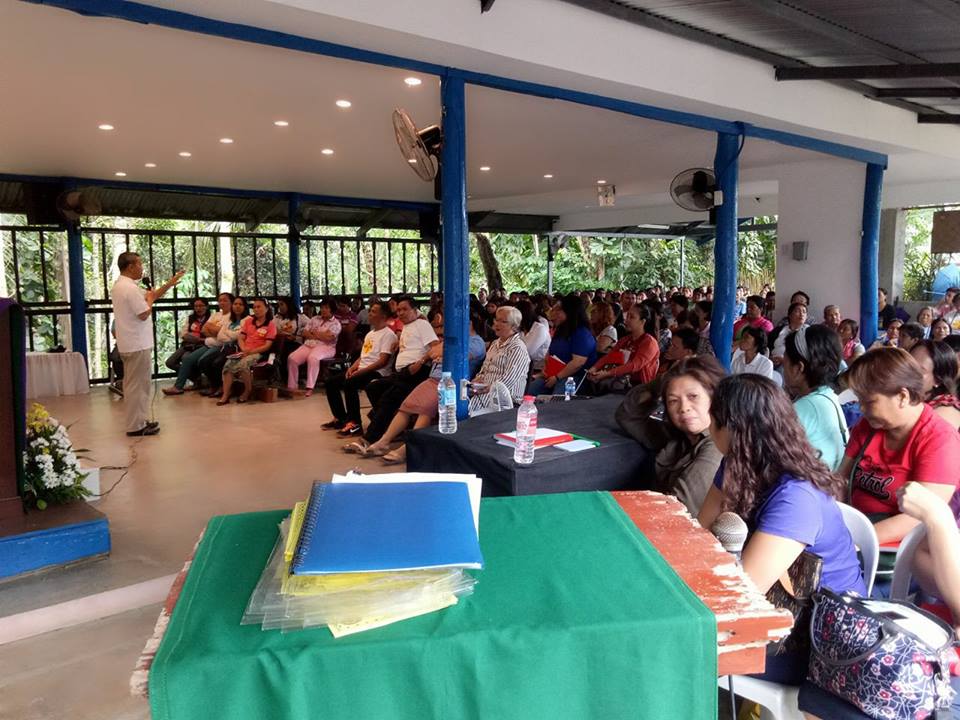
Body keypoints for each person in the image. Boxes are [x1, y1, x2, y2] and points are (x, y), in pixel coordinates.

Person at [698, 375, 866, 686]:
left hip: (816, 640)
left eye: (713, 420)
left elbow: (745, 592)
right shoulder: (738, 463)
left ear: (732, 429)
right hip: (774, 609)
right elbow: (702, 534)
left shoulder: (796, 497)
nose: (709, 429)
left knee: (682, 649)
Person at [800, 481, 960, 719]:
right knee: (827, 686)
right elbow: (922, 559)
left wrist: (940, 519)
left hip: (942, 675)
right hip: (931, 644)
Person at [840, 348, 960, 545]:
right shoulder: (868, 425)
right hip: (855, 529)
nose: (861, 408)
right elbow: (841, 479)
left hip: (897, 549)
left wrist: (851, 541)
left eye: (869, 401)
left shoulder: (940, 440)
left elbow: (919, 518)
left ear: (903, 396)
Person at [347, 309, 445, 457]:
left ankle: (370, 438)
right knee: (374, 388)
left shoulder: (422, 325)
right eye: (398, 309)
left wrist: (422, 361)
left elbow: (434, 348)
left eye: (403, 309)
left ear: (414, 310)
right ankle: (384, 427)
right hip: (404, 372)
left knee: (391, 396)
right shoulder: (405, 328)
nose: (400, 312)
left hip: (418, 372)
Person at [110, 252, 184, 436]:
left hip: (130, 342)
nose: (142, 268)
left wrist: (169, 284)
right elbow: (143, 312)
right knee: (137, 386)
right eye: (139, 263)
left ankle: (139, 421)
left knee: (137, 385)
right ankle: (136, 426)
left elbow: (151, 295)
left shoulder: (122, 286)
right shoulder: (130, 289)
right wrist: (150, 300)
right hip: (137, 344)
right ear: (130, 266)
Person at [644, 357, 726, 515]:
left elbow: (677, 510)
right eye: (673, 400)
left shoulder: (716, 446)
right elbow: (627, 415)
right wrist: (662, 381)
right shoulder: (680, 437)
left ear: (714, 398)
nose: (684, 408)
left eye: (693, 397)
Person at [322, 301, 398, 436]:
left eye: (373, 311)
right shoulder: (370, 334)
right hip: (362, 369)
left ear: (383, 315)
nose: (369, 314)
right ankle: (341, 418)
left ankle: (355, 423)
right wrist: (352, 368)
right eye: (370, 311)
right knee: (331, 382)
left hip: (377, 372)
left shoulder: (388, 335)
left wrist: (360, 371)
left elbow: (382, 361)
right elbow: (362, 356)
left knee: (350, 383)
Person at [781, 325, 848, 471]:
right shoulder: (828, 395)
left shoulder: (806, 408)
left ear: (799, 368)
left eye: (784, 361)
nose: (783, 366)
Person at [526, 293, 597, 396]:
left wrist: (557, 377)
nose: (553, 313)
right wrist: (544, 372)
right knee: (530, 392)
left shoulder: (582, 333)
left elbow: (578, 363)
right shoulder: (561, 330)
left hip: (573, 378)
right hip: (552, 375)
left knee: (557, 400)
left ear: (569, 312)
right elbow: (550, 354)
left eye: (558, 310)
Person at [163, 292, 233, 395]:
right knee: (175, 361)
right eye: (220, 300)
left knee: (193, 359)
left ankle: (207, 384)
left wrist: (214, 331)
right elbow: (204, 330)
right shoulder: (215, 315)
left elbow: (223, 333)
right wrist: (215, 331)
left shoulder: (231, 316)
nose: (221, 302)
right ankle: (190, 382)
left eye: (225, 300)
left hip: (215, 344)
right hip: (196, 344)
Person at [467, 305, 531, 415]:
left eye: (503, 321)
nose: (497, 323)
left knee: (468, 410)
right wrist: (477, 380)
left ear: (514, 326)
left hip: (506, 400)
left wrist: (488, 389)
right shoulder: (495, 344)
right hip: (485, 393)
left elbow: (509, 380)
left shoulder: (517, 348)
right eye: (496, 319)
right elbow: (484, 370)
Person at [584, 304, 659, 394]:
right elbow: (610, 357)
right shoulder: (625, 340)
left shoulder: (649, 342)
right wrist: (594, 368)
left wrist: (608, 373)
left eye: (631, 317)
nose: (626, 320)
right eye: (627, 316)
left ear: (642, 321)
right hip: (619, 382)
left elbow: (634, 365)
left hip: (638, 388)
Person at [218, 297, 276, 405]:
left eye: (259, 307)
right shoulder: (249, 322)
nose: (256, 309)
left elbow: (267, 346)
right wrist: (244, 349)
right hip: (245, 351)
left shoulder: (271, 325)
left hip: (259, 353)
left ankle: (247, 391)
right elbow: (240, 338)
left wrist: (251, 352)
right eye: (254, 307)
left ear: (267, 309)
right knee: (228, 365)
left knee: (243, 365)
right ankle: (225, 395)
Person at [285, 298, 341, 397]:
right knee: (292, 358)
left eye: (327, 308)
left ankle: (310, 387)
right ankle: (292, 387)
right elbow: (304, 332)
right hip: (309, 344)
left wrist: (314, 332)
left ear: (332, 309)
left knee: (313, 358)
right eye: (322, 307)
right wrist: (320, 334)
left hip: (327, 347)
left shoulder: (336, 323)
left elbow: (329, 338)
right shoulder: (314, 319)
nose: (323, 310)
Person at [198, 296, 247, 397]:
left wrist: (227, 333)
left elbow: (236, 336)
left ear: (245, 307)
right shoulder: (230, 320)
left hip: (236, 348)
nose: (237, 307)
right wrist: (228, 334)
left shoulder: (247, 319)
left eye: (240, 304)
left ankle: (224, 387)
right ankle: (215, 386)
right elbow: (220, 336)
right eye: (235, 304)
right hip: (225, 346)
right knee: (204, 361)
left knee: (217, 363)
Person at [909, 339, 960, 431]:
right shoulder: (907, 396)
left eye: (919, 370)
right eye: (907, 365)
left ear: (938, 380)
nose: (907, 372)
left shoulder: (944, 413)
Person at [164, 297, 210, 371]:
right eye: (196, 306)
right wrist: (186, 336)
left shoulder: (211, 318)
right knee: (170, 362)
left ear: (206, 307)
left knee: (185, 358)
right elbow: (183, 333)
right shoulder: (190, 318)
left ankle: (197, 379)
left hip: (202, 345)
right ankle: (195, 377)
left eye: (201, 306)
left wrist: (201, 339)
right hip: (187, 344)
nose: (198, 308)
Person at [273, 296, 307, 371]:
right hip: (281, 341)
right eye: (279, 305)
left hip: (295, 342)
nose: (280, 307)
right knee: (283, 347)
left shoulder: (299, 317)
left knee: (288, 350)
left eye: (282, 304)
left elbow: (311, 326)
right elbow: (272, 330)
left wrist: (298, 334)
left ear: (288, 304)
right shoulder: (277, 317)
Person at [770, 301, 808, 367]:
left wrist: (784, 360)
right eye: (797, 311)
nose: (801, 314)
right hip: (773, 362)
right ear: (789, 315)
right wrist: (770, 358)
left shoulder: (808, 332)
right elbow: (768, 346)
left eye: (804, 312)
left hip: (794, 366)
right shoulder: (779, 330)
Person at [517, 299, 550, 373]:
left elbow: (526, 352)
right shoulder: (520, 328)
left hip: (538, 368)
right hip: (522, 366)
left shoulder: (540, 328)